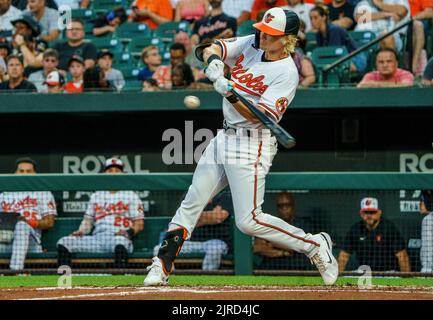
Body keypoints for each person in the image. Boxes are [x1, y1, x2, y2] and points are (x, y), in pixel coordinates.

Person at [143, 8, 339, 286]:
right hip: (223, 137)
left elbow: (259, 115)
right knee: (192, 202)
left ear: (288, 39)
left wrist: (230, 92)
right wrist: (213, 63)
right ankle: (161, 266)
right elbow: (211, 47)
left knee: (248, 221)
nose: (263, 36)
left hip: (252, 143)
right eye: (262, 30)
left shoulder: (287, 73)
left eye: (271, 35)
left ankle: (314, 245)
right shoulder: (252, 42)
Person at [57, 158, 145, 269]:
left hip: (117, 237)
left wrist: (128, 233)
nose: (113, 173)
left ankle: (120, 281)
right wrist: (81, 231)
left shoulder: (130, 195)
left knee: (120, 243)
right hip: (97, 239)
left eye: (117, 170)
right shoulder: (96, 196)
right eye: (110, 170)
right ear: (104, 173)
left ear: (122, 174)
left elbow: (139, 224)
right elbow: (88, 221)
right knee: (64, 242)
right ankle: (65, 281)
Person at [0, 158, 57, 272]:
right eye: (21, 171)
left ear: (34, 174)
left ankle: (15, 272)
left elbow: (49, 222)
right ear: (15, 173)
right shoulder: (5, 194)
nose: (24, 174)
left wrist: (28, 222)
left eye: (28, 171)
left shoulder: (42, 192)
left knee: (22, 225)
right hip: (6, 241)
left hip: (31, 243)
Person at [153, 195, 231, 270]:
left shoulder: (224, 197)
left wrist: (193, 215)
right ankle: (170, 278)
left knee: (214, 249)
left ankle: (208, 278)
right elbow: (181, 218)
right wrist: (211, 216)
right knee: (159, 249)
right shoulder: (190, 196)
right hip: (191, 242)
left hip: (215, 242)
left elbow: (218, 217)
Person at [338, 197, 411, 272]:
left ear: (379, 212)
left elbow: (402, 255)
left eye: (372, 212)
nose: (369, 215)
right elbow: (344, 255)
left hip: (388, 272)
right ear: (361, 214)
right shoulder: (356, 229)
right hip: (365, 272)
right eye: (366, 212)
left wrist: (406, 279)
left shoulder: (389, 228)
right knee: (349, 277)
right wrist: (338, 277)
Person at [354, 0, 425, 74]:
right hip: (364, 39)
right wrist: (387, 14)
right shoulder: (365, 3)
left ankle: (389, 74)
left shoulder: (397, 1)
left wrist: (379, 4)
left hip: (391, 36)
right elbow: (359, 18)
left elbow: (402, 11)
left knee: (386, 37)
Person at [254, 192, 317, 270]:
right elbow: (257, 248)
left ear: (293, 207)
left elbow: (298, 246)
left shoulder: (303, 223)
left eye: (287, 205)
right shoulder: (271, 223)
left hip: (297, 266)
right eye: (281, 206)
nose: (284, 209)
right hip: (273, 266)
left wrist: (272, 243)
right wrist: (282, 253)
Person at [310, 5, 367, 73]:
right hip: (340, 59)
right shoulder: (318, 34)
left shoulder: (334, 30)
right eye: (311, 18)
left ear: (324, 17)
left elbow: (335, 52)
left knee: (333, 67)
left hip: (355, 58)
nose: (312, 21)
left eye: (315, 18)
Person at [420, 190, 433, 272]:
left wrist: (427, 269)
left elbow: (427, 247)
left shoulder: (428, 219)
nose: (420, 205)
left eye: (422, 201)